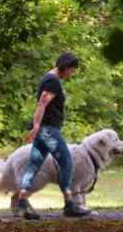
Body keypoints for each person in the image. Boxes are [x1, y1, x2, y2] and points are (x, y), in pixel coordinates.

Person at [17, 51, 91, 219]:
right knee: (67, 162)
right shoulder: (52, 81)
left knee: (33, 165)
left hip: (44, 129)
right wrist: (36, 127)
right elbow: (42, 103)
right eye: (71, 71)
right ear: (64, 67)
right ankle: (69, 205)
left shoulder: (48, 78)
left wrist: (37, 128)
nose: (71, 75)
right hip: (48, 129)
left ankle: (21, 203)